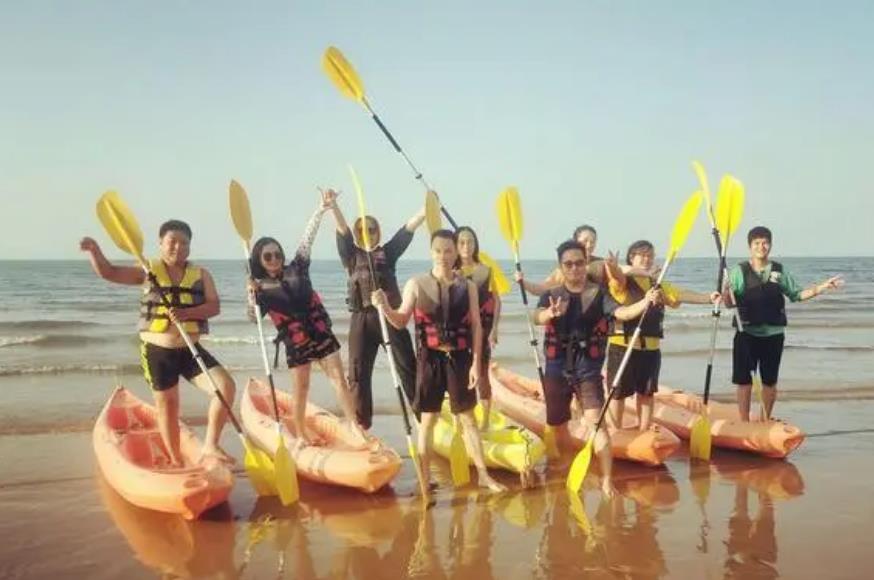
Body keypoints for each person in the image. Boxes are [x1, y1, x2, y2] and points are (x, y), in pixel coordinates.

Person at [80, 220, 235, 466]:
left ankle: (211, 445)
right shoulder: (147, 271)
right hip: (158, 352)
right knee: (169, 406)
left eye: (184, 242)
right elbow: (109, 272)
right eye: (172, 241)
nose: (178, 247)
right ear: (161, 244)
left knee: (225, 387)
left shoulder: (202, 274)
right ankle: (176, 460)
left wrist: (187, 313)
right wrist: (94, 251)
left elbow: (214, 306)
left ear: (190, 247)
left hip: (190, 350)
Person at [373, 229, 506, 492]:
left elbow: (477, 326)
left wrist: (476, 363)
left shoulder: (467, 286)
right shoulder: (416, 284)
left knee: (468, 418)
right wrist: (384, 307)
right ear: (431, 252)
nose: (443, 256)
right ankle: (423, 482)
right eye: (438, 250)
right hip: (429, 359)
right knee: (428, 421)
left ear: (456, 252)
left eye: (448, 250)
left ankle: (483, 475)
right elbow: (400, 321)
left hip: (459, 358)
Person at [532, 239, 654, 497]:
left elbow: (622, 312)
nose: (574, 268)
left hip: (587, 368)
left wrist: (645, 303)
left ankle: (607, 479)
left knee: (597, 424)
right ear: (561, 267)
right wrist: (549, 315)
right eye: (569, 264)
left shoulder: (599, 294)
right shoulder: (551, 294)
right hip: (556, 368)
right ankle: (567, 462)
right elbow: (537, 316)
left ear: (585, 264)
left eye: (579, 263)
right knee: (558, 424)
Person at [247, 190, 365, 446]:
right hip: (296, 342)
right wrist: (251, 296)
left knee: (339, 380)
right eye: (268, 256)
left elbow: (307, 237)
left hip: (321, 333)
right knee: (301, 388)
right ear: (259, 260)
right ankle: (300, 433)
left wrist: (321, 209)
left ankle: (353, 426)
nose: (274, 259)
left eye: (277, 254)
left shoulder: (298, 265)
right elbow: (253, 320)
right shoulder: (261, 289)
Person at [328, 190, 426, 429]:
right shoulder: (350, 255)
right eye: (361, 230)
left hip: (389, 317)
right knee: (358, 374)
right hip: (361, 320)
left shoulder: (388, 253)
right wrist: (333, 206)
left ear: (377, 232)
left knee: (407, 366)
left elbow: (408, 230)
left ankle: (423, 417)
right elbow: (342, 231)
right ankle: (362, 425)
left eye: (371, 229)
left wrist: (427, 207)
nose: (366, 233)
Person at [724, 226, 842, 421]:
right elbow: (729, 304)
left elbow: (797, 294)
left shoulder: (779, 271)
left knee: (770, 381)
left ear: (770, 245)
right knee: (744, 381)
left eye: (765, 243)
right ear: (750, 247)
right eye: (757, 243)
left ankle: (764, 419)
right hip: (746, 333)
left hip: (773, 335)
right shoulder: (738, 272)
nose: (761, 247)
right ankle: (744, 421)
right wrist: (727, 293)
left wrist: (822, 287)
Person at [605, 240, 721, 432]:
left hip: (650, 348)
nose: (647, 259)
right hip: (623, 346)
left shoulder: (657, 284)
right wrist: (612, 265)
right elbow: (619, 272)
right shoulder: (622, 281)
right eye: (642, 255)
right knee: (618, 393)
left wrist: (708, 298)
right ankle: (615, 430)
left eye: (650, 255)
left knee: (647, 393)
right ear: (631, 257)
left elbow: (681, 295)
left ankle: (644, 429)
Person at [456, 226, 501, 430]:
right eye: (462, 242)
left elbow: (497, 300)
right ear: (455, 245)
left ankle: (484, 422)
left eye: (470, 242)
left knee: (482, 375)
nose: (466, 246)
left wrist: (495, 329)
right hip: (458, 331)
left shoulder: (485, 270)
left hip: (482, 330)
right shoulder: (450, 271)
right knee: (458, 374)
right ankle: (460, 419)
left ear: (476, 245)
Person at [517, 225, 628, 295]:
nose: (589, 245)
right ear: (576, 241)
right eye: (585, 241)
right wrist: (523, 283)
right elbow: (542, 289)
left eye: (593, 241)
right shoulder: (565, 269)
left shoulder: (602, 264)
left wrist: (615, 269)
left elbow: (621, 284)